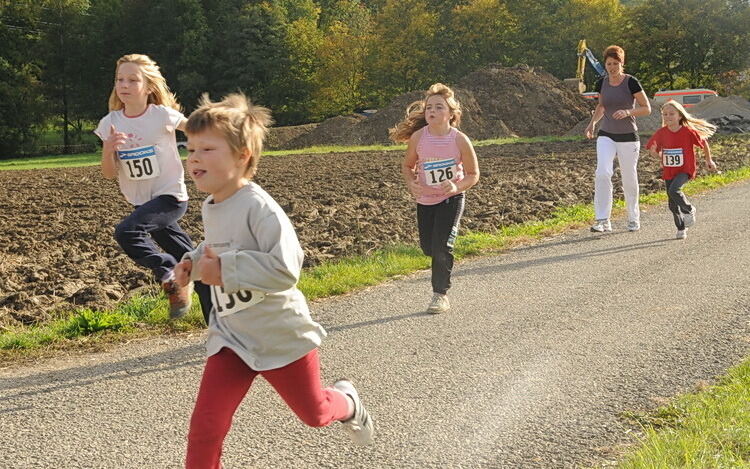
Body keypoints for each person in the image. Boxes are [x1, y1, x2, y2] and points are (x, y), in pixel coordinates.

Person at [174, 93, 374, 468]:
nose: (194, 158)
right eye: (190, 149)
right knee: (206, 427)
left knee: (314, 413)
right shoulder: (212, 203)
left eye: (206, 149)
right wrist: (191, 261)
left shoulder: (260, 207)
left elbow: (286, 268)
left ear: (241, 155)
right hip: (231, 337)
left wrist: (226, 270)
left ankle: (347, 402)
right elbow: (216, 246)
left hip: (279, 334)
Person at [94, 53, 212, 322]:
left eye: (132, 80)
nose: (124, 85)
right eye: (119, 79)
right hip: (144, 205)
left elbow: (195, 130)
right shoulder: (110, 123)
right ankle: (219, 325)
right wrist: (108, 150)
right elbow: (109, 174)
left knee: (127, 231)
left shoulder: (162, 116)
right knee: (192, 260)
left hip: (169, 198)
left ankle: (168, 270)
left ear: (148, 87)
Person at [390, 83, 480, 314]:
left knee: (441, 248)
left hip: (451, 199)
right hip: (425, 201)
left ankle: (440, 295)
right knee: (428, 248)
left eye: (439, 107)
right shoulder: (419, 137)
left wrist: (455, 185)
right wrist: (411, 184)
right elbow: (408, 166)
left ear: (451, 114)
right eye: (429, 107)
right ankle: (441, 254)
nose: (432, 111)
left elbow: (473, 175)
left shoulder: (460, 140)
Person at [585, 45, 651, 232]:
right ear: (604, 64)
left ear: (622, 63)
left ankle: (633, 217)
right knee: (602, 173)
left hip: (628, 137)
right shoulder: (602, 83)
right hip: (606, 135)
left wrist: (628, 111)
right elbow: (601, 106)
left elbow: (647, 108)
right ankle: (603, 219)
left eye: (615, 63)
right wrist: (592, 124)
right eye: (608, 64)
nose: (612, 67)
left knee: (629, 177)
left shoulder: (631, 82)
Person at [646, 100, 717, 239]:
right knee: (672, 204)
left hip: (685, 169)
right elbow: (655, 153)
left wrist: (709, 160)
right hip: (669, 171)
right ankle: (681, 228)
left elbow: (704, 143)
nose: (668, 117)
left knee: (674, 190)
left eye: (671, 114)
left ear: (679, 116)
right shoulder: (661, 133)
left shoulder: (688, 132)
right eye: (665, 114)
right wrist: (655, 152)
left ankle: (689, 209)